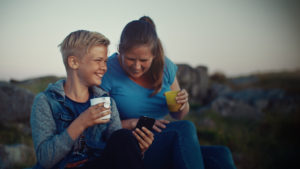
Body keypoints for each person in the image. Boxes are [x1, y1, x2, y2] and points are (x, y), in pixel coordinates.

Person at [100, 16, 237, 169]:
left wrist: (182, 103)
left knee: (220, 154)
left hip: (159, 137)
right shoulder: (107, 71)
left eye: (144, 60)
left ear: (154, 55)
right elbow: (99, 126)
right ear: (120, 50)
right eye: (131, 59)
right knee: (183, 129)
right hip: (130, 143)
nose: (137, 66)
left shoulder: (165, 68)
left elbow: (178, 115)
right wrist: (133, 122)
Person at [30, 30, 154, 169]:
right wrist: (81, 123)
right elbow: (45, 160)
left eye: (105, 61)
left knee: (123, 137)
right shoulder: (46, 101)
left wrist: (138, 149)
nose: (104, 67)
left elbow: (118, 149)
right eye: (98, 60)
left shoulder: (107, 102)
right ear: (74, 62)